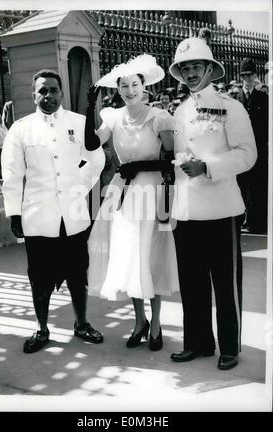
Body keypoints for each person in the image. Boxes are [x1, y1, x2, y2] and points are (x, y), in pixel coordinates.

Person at [1, 69, 105, 353]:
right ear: (33, 94)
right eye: (42, 90)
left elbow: (97, 159)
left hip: (73, 215)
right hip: (38, 216)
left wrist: (78, 185)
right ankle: (41, 327)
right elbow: (12, 174)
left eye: (53, 90)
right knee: (39, 276)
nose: (48, 95)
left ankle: (82, 323)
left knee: (77, 272)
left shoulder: (79, 122)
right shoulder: (20, 129)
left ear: (61, 92)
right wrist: (14, 213)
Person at [168, 37, 257, 370]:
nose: (190, 73)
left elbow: (248, 154)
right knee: (191, 283)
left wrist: (207, 167)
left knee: (224, 283)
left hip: (222, 208)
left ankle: (230, 347)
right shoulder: (179, 110)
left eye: (196, 67)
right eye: (185, 68)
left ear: (209, 69)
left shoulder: (231, 107)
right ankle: (198, 342)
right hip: (187, 211)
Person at [87, 55, 179, 351]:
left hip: (152, 193)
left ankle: (156, 323)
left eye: (135, 84)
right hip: (123, 193)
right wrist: (91, 107)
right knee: (129, 256)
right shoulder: (113, 117)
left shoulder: (160, 117)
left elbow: (170, 163)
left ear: (145, 86)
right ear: (118, 89)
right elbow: (91, 143)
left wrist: (139, 167)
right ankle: (139, 322)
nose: (130, 90)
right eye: (124, 86)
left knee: (150, 256)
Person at [237, 58, 269, 234]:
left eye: (250, 75)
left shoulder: (263, 98)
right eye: (244, 75)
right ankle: (243, 219)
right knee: (241, 185)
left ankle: (258, 221)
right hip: (241, 149)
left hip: (259, 149)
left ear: (255, 75)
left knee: (257, 186)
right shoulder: (236, 99)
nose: (247, 79)